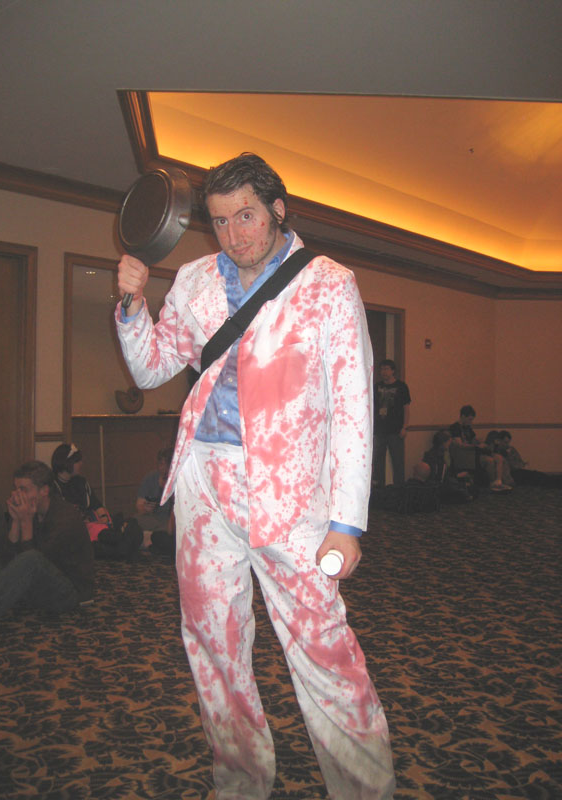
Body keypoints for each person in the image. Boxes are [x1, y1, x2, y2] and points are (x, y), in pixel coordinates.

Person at [115, 153, 395, 799]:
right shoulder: (193, 280)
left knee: (321, 646)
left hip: (292, 497)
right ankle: (240, 779)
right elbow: (152, 368)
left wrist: (347, 523)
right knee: (212, 642)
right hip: (205, 485)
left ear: (277, 209)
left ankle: (363, 787)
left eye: (246, 216)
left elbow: (354, 408)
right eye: (219, 222)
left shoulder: (328, 284)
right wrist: (132, 305)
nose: (234, 235)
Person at [0, 460, 94, 633]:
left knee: (31, 559)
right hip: (34, 586)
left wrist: (25, 522)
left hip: (68, 592)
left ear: (44, 490)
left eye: (23, 489)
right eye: (16, 489)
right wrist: (16, 522)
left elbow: (35, 564)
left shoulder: (65, 519)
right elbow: (8, 560)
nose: (17, 494)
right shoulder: (32, 510)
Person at [51, 443, 142, 561]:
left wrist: (104, 519)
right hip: (77, 530)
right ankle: (125, 547)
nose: (81, 464)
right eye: (78, 461)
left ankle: (123, 547)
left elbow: (96, 503)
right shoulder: (53, 485)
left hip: (95, 524)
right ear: (67, 463)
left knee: (132, 523)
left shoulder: (81, 481)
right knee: (115, 538)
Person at [449, 405, 511, 492]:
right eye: (470, 419)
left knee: (499, 457)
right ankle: (492, 484)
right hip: (467, 455)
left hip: (475, 451)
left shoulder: (467, 427)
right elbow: (460, 445)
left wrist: (483, 443)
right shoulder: (455, 428)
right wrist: (476, 446)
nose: (471, 422)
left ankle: (499, 481)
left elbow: (474, 439)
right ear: (463, 416)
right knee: (489, 461)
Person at [372, 359, 411, 487]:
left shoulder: (401, 386)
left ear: (393, 371)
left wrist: (405, 426)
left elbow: (406, 408)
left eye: (387, 369)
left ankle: (399, 490)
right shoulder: (376, 387)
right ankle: (380, 489)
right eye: (382, 369)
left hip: (396, 430)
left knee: (397, 461)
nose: (384, 372)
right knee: (378, 461)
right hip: (379, 430)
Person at [135, 447, 175, 557]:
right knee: (135, 521)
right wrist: (145, 508)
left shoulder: (177, 480)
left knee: (168, 530)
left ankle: (151, 541)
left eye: (166, 465)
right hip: (152, 518)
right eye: (160, 464)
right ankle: (151, 540)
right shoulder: (150, 478)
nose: (162, 468)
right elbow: (139, 505)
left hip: (168, 520)